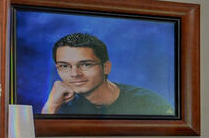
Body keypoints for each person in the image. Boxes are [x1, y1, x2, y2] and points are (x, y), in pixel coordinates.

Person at [41, 31, 175, 116]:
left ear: (106, 67)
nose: (74, 74)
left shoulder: (149, 103)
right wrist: (50, 106)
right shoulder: (61, 105)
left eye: (85, 64)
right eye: (64, 66)